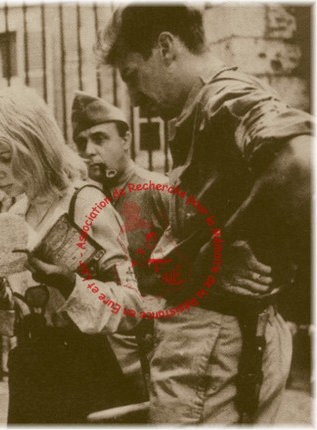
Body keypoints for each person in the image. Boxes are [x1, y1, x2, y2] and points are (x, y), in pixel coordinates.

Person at [96, 4, 312, 424]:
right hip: (222, 343)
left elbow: (304, 167)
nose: (133, 100)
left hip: (213, 346)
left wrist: (218, 254)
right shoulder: (209, 106)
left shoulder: (224, 99)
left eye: (131, 76)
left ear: (165, 47)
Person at [0, 86, 147, 424]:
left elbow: (132, 308)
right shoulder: (15, 214)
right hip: (30, 378)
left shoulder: (85, 203)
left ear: (35, 145)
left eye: (6, 158)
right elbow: (17, 319)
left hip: (86, 374)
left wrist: (70, 285)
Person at [72, 91, 169, 296]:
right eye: (82, 144)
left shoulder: (159, 191)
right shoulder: (85, 203)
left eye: (99, 138)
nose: (89, 151)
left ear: (125, 139)